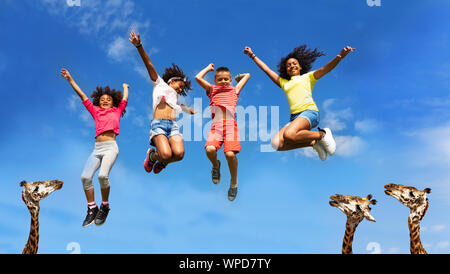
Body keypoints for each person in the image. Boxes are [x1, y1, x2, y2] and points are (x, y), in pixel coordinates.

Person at [243, 45, 355, 160]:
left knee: (289, 134)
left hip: (310, 112)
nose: (292, 66)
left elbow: (325, 69)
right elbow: (266, 70)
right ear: (285, 69)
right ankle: (313, 143)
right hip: (294, 118)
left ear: (300, 66)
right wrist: (252, 55)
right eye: (289, 65)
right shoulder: (283, 83)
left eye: (294, 63)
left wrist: (340, 56)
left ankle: (322, 134)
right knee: (276, 144)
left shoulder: (308, 77)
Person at [60, 68, 129, 227]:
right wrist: (70, 79)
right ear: (98, 101)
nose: (105, 101)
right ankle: (92, 207)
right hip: (97, 149)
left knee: (102, 176)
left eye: (108, 99)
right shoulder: (95, 111)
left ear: (113, 103)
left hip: (111, 147)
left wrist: (125, 87)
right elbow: (83, 96)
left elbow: (125, 99)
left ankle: (105, 206)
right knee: (85, 178)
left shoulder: (117, 111)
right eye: (102, 99)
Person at [129, 30, 195, 174]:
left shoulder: (175, 99)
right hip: (158, 123)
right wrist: (139, 45)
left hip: (173, 126)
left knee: (179, 154)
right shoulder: (159, 84)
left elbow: (180, 107)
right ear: (173, 81)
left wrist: (189, 110)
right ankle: (153, 156)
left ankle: (163, 162)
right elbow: (149, 64)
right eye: (180, 86)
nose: (179, 90)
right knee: (165, 154)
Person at [195, 64, 250, 201]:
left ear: (230, 80)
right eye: (220, 79)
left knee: (230, 154)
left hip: (231, 125)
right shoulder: (212, 90)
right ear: (215, 81)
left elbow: (247, 75)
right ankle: (216, 165)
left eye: (226, 79)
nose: (224, 81)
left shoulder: (234, 89)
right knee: (210, 150)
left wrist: (237, 77)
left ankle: (233, 182)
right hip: (216, 126)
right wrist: (208, 68)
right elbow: (198, 77)